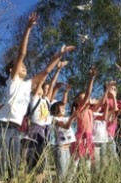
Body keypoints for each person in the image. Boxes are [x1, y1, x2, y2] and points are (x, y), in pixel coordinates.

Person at [0, 12, 38, 182]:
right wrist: (27, 29)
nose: (24, 67)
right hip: (4, 126)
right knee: (2, 162)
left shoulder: (27, 85)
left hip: (16, 129)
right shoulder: (12, 81)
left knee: (14, 164)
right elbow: (21, 55)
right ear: (12, 71)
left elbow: (45, 72)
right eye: (21, 66)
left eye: (25, 66)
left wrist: (57, 59)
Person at [25, 45, 75, 183]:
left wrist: (59, 69)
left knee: (42, 163)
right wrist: (55, 61)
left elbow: (52, 83)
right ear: (37, 89)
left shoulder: (46, 100)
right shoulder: (34, 98)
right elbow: (44, 79)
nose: (45, 90)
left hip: (45, 132)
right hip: (35, 131)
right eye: (42, 87)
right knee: (32, 162)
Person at [50, 85, 77, 180]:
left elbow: (64, 103)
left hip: (67, 148)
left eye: (64, 108)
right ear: (55, 110)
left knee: (67, 174)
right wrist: (72, 117)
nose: (64, 109)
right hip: (60, 149)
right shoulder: (54, 119)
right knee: (61, 175)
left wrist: (66, 92)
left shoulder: (65, 118)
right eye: (61, 108)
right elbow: (66, 126)